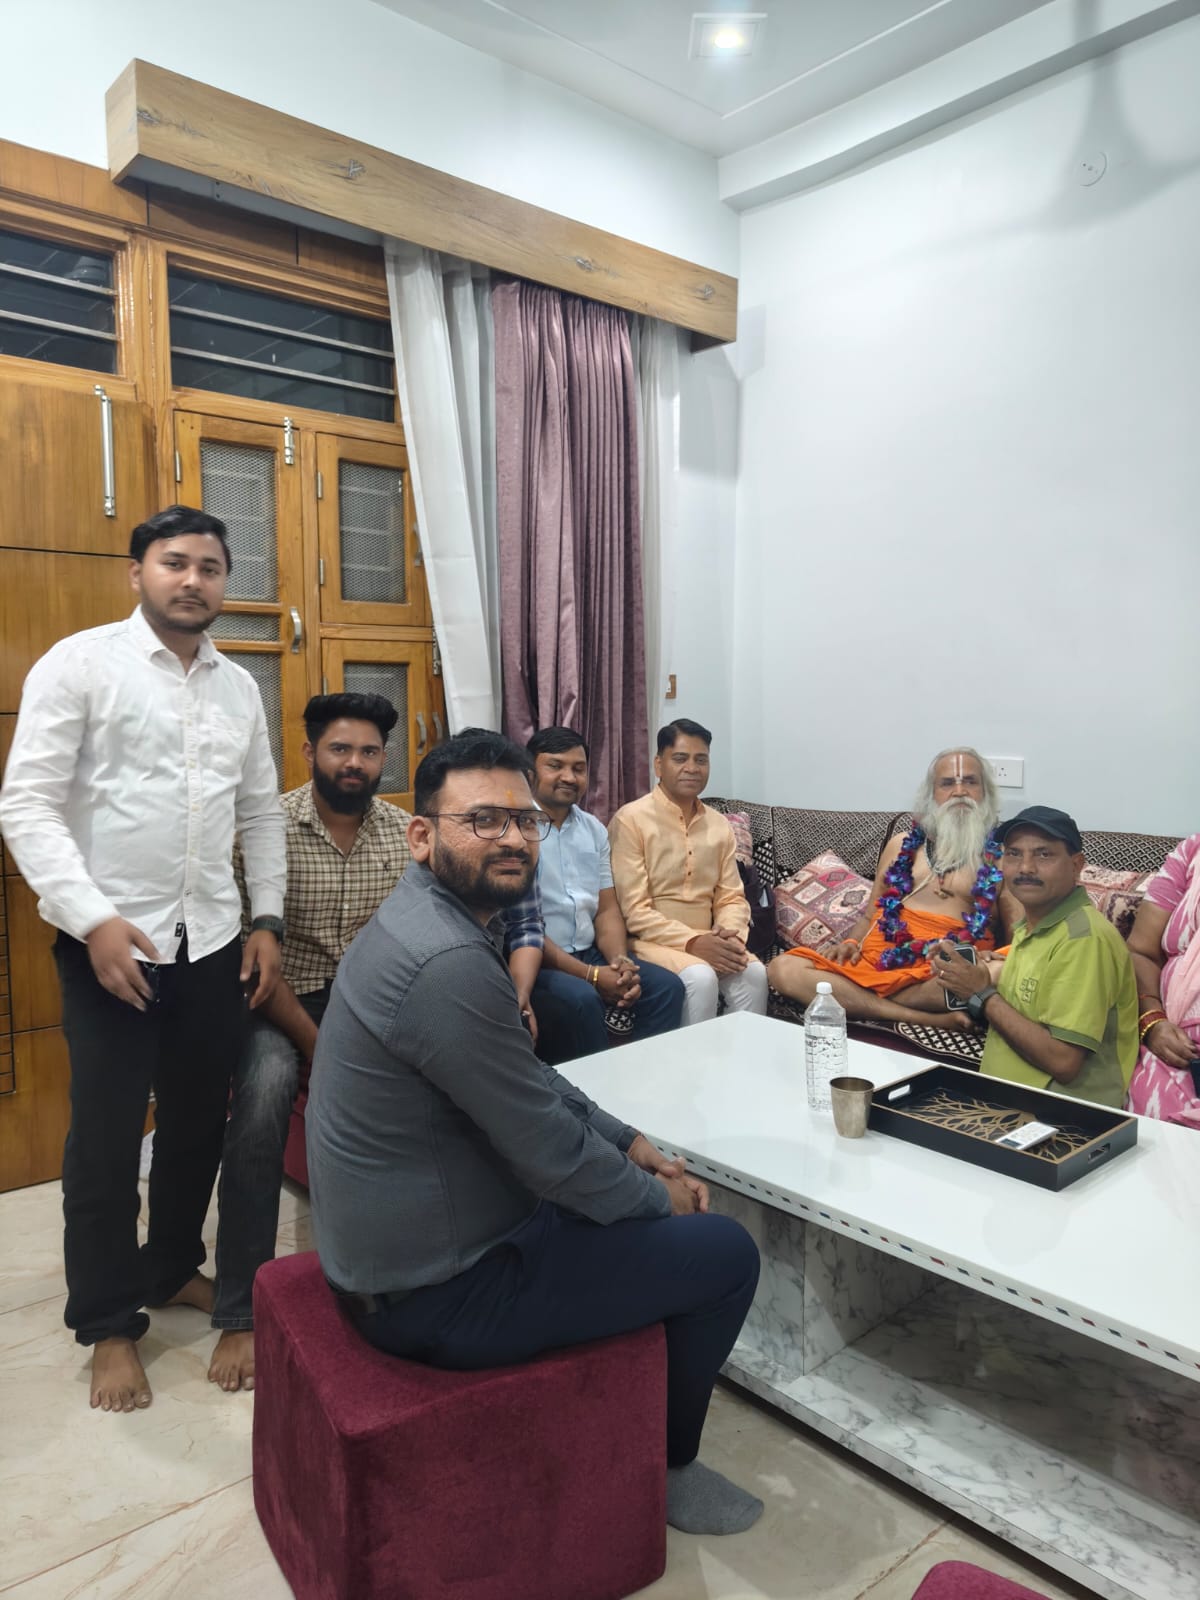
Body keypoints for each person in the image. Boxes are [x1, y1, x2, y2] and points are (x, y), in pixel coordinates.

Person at [306, 730, 764, 1536]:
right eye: (482, 820)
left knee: (622, 1193)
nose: (512, 838)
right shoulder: (445, 959)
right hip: (432, 1294)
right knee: (724, 1253)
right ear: (422, 836)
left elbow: (525, 1078)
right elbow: (546, 1152)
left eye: (521, 820)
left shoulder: (431, 918)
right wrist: (656, 1198)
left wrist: (629, 1141)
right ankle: (668, 1466)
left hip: (415, 1247)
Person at [0, 505, 285, 1414]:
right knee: (107, 1137)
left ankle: (168, 1269)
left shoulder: (239, 689)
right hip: (111, 948)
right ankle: (108, 1322)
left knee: (196, 1125)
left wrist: (265, 919)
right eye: (174, 562)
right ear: (138, 574)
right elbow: (27, 806)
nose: (193, 580)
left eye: (210, 566)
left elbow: (260, 811)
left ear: (224, 581)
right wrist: (93, 921)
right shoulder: (79, 663)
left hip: (211, 942)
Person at [208, 692, 411, 1393]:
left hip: (368, 1003)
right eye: (340, 749)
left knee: (434, 1079)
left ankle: (401, 1274)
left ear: (384, 759)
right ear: (309, 753)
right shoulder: (266, 833)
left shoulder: (403, 833)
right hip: (276, 1000)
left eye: (369, 752)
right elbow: (252, 970)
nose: (355, 763)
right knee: (265, 1090)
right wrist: (322, 1048)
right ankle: (240, 1308)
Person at [768, 748, 1017, 1030]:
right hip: (877, 962)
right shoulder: (901, 845)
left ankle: (863, 999)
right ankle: (919, 1016)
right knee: (783, 969)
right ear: (930, 795)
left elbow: (1021, 938)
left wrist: (993, 955)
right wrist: (850, 944)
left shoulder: (1005, 859)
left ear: (986, 792)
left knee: (997, 973)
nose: (959, 792)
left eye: (970, 782)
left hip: (942, 972)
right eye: (947, 783)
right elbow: (870, 914)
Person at [501, 726, 684, 1064]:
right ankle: (596, 1091)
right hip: (538, 959)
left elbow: (606, 910)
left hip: (591, 952)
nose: (569, 777)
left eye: (579, 768)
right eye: (555, 766)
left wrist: (620, 962)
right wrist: (593, 977)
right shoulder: (517, 830)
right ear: (530, 773)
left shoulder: (594, 829)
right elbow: (524, 928)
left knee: (667, 987)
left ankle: (651, 1076)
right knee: (582, 999)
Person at [936, 806, 1138, 1107]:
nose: (1026, 868)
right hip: (1005, 1102)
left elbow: (1063, 1062)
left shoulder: (1084, 940)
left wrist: (982, 994)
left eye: (1044, 855)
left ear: (1076, 865)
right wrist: (970, 980)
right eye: (1014, 854)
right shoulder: (1031, 926)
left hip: (1059, 1117)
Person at [608, 719, 767, 1027]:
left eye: (701, 760)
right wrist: (693, 942)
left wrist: (729, 937)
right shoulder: (631, 820)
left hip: (710, 939)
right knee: (701, 977)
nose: (692, 768)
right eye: (680, 758)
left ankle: (742, 1057)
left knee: (755, 974)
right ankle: (689, 1059)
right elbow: (634, 911)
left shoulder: (719, 825)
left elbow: (731, 897)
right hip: (648, 942)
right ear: (659, 764)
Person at [1124, 833, 1200, 1128]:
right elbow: (1140, 951)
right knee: (1145, 1135)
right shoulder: (1192, 852)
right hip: (1173, 1047)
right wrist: (1152, 1021)